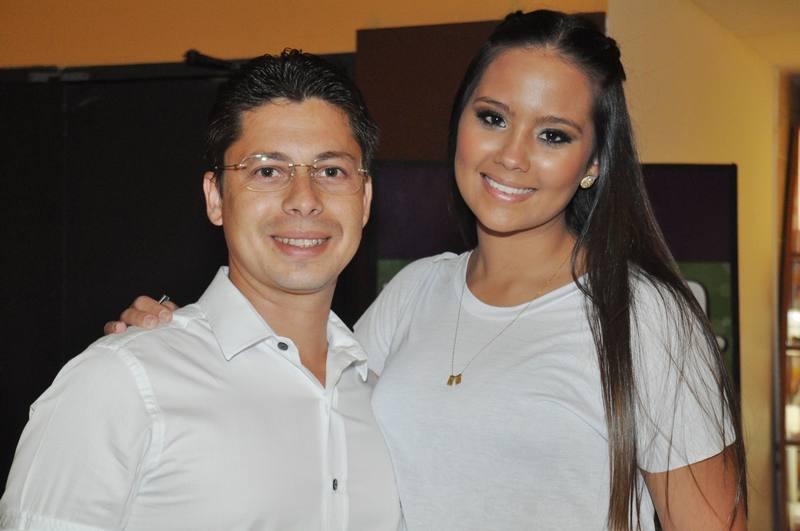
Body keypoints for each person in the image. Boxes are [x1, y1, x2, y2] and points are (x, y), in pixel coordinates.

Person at [104, 10, 747, 531]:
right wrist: (180, 340)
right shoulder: (416, 291)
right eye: (492, 118)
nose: (512, 156)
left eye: (553, 134)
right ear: (459, 123)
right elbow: (295, 398)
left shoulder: (645, 317)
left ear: (594, 163)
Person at [0, 50, 401, 531]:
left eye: (331, 171)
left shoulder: (380, 402)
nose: (304, 200)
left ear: (365, 200)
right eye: (267, 171)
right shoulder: (122, 382)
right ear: (215, 198)